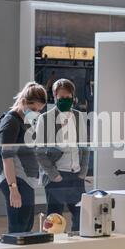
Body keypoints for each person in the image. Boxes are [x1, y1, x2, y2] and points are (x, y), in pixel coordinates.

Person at [36, 79, 89, 231]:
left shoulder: (79, 117)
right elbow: (39, 151)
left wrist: (83, 172)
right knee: (54, 220)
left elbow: (85, 147)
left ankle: (78, 247)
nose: (65, 100)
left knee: (80, 216)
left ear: (73, 97)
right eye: (61, 98)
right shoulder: (45, 118)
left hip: (76, 175)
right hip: (56, 176)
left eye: (68, 97)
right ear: (54, 96)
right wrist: (53, 174)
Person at [0, 82, 47, 233]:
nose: (36, 113)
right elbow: (6, 157)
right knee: (18, 226)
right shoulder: (11, 122)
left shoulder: (25, 121)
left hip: (26, 180)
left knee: (26, 225)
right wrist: (13, 188)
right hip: (15, 179)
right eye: (33, 109)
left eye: (39, 110)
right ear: (24, 102)